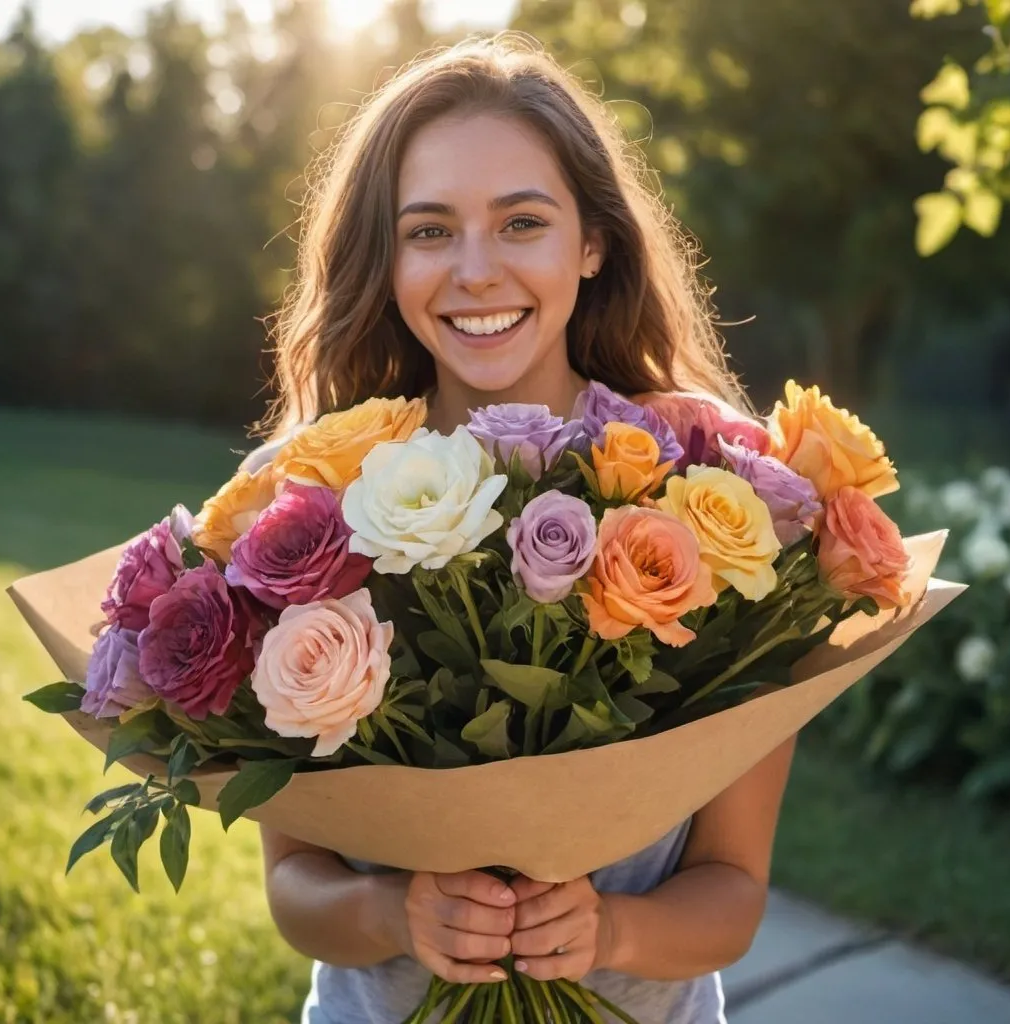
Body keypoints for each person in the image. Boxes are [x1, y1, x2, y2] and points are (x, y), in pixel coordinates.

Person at [255, 32, 796, 1024]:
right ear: (386, 255)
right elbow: (294, 882)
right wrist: (392, 908)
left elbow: (733, 885)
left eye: (521, 222)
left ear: (591, 241)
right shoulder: (298, 506)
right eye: (428, 231)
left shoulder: (717, 496)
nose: (473, 270)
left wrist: (608, 932)